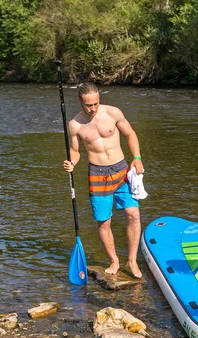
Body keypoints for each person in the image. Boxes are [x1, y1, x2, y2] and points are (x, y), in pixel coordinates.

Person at [62, 82, 144, 279]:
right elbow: (75, 151)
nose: (93, 109)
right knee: (103, 221)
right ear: (80, 102)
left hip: (121, 169)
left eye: (96, 104)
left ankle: (132, 260)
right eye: (88, 105)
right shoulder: (75, 125)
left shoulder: (113, 113)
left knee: (133, 214)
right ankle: (114, 260)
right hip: (97, 173)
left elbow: (130, 134)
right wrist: (72, 162)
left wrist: (137, 157)